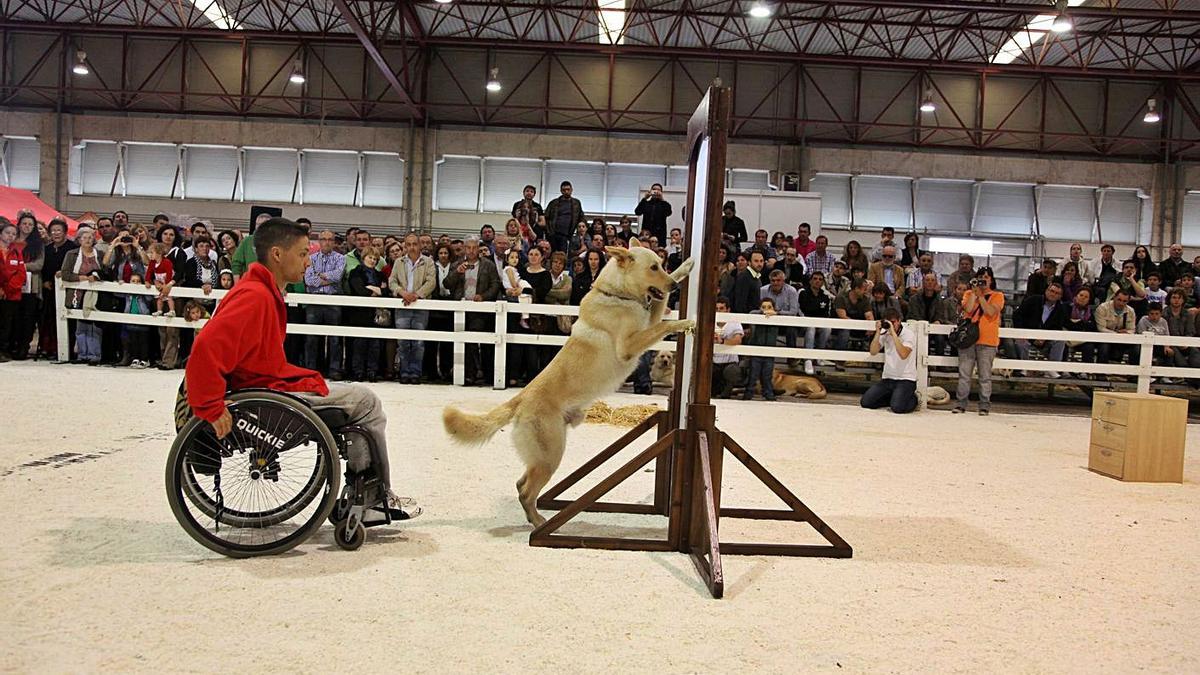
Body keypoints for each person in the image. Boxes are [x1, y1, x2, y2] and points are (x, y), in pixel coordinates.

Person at [185, 217, 417, 516]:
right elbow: (205, 346)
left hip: (265, 387)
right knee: (366, 402)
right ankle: (372, 498)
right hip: (263, 396)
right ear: (278, 254)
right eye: (304, 254)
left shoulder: (261, 291)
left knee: (354, 396)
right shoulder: (255, 296)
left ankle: (368, 491)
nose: (308, 263)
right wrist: (211, 406)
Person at [444, 236, 502, 386]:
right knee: (463, 342)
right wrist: (457, 272)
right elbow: (447, 284)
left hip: (480, 310)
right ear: (464, 248)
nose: (471, 251)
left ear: (478, 248)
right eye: (468, 247)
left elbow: (495, 285)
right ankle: (468, 373)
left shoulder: (488, 265)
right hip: (460, 309)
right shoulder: (457, 264)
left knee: (475, 340)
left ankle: (478, 372)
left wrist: (483, 296)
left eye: (474, 247)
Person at [953, 267, 1004, 415]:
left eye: (987, 277)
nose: (984, 280)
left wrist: (981, 296)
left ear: (991, 280)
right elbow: (968, 309)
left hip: (987, 340)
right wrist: (975, 293)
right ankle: (961, 404)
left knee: (985, 375)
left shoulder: (997, 296)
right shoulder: (969, 294)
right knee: (964, 374)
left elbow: (990, 311)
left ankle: (984, 405)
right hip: (968, 339)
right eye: (981, 277)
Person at [388, 233, 435, 384]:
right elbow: (392, 281)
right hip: (402, 305)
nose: (412, 247)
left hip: (420, 305)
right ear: (405, 246)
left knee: (418, 342)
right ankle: (404, 372)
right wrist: (403, 293)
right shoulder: (399, 262)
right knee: (403, 342)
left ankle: (415, 373)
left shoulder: (428, 262)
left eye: (415, 244)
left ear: (420, 245)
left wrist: (417, 295)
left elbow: (431, 282)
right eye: (409, 244)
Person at [303, 230, 345, 380]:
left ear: (334, 242)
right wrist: (328, 278)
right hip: (314, 301)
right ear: (318, 241)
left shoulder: (341, 258)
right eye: (323, 239)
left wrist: (320, 275)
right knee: (312, 338)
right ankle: (311, 370)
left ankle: (334, 370)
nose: (327, 242)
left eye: (330, 239)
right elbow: (309, 280)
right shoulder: (310, 258)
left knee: (335, 339)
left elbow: (338, 276)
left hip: (332, 300)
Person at [59, 226, 104, 365]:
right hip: (77, 293)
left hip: (96, 294)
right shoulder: (71, 254)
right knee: (80, 324)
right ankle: (82, 354)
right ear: (79, 239)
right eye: (84, 237)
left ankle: (95, 354)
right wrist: (84, 278)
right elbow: (66, 274)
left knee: (95, 324)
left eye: (90, 237)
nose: (88, 240)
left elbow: (105, 271)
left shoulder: (100, 254)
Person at [860, 308, 918, 414]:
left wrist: (893, 334)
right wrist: (878, 332)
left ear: (899, 321)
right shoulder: (884, 332)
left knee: (897, 408)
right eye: (888, 322)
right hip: (888, 378)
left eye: (893, 322)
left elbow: (903, 354)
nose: (891, 325)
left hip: (906, 379)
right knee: (866, 402)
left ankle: (913, 399)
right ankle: (895, 398)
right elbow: (873, 351)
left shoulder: (908, 334)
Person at [346, 246, 386, 383]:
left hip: (375, 314)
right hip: (359, 314)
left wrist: (371, 288)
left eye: (375, 259)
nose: (373, 261)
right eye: (370, 257)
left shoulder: (380, 275)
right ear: (363, 258)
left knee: (375, 344)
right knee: (359, 344)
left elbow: (386, 292)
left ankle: (372, 372)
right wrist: (376, 290)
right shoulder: (355, 272)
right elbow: (360, 290)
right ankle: (358, 372)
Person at [1012, 282, 1068, 376]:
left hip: (1046, 340)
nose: (1053, 294)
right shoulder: (1033, 300)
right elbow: (1017, 316)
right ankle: (1023, 368)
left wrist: (1045, 338)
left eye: (1056, 293)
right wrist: (1027, 336)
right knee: (1020, 341)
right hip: (1027, 336)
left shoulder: (1061, 309)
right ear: (1046, 291)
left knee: (1060, 340)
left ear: (1060, 296)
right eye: (1051, 291)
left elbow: (1057, 328)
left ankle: (1051, 369)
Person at [742, 298, 779, 401]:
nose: (766, 310)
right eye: (763, 307)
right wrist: (762, 312)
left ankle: (768, 394)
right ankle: (748, 394)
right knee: (753, 375)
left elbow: (790, 314)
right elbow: (751, 313)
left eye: (769, 307)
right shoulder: (756, 317)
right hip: (756, 351)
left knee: (767, 375)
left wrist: (776, 313)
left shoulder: (777, 318)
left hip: (769, 352)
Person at [797, 270, 834, 375]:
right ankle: (808, 359)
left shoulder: (826, 296)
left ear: (823, 283)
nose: (817, 281)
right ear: (810, 281)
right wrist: (808, 321)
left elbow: (827, 314)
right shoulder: (802, 292)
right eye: (815, 279)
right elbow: (799, 310)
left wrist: (820, 323)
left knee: (827, 329)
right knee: (811, 328)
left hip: (820, 324)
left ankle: (819, 356)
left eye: (820, 279)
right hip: (803, 324)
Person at [0, 222, 25, 362]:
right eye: (7, 233)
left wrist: (8, 288)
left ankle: (3, 350)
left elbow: (20, 274)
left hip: (11, 294)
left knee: (7, 324)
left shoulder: (16, 252)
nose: (10, 236)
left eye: (13, 234)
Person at [711, 296, 745, 398]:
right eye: (716, 309)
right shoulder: (709, 322)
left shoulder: (734, 323)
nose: (719, 311)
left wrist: (722, 341)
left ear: (728, 310)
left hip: (729, 362)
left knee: (731, 371)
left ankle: (727, 393)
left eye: (721, 308)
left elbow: (738, 340)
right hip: (714, 361)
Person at [1095, 288, 1137, 366]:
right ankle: (1100, 373)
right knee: (1104, 346)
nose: (1121, 303)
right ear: (1114, 297)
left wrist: (1127, 333)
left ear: (1128, 301)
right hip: (1105, 338)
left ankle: (1133, 374)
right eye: (1119, 300)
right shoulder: (1102, 308)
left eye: (1124, 301)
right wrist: (1117, 333)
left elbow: (1132, 329)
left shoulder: (1131, 311)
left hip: (1123, 339)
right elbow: (1101, 328)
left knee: (1136, 347)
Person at [832, 276, 875, 351]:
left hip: (858, 327)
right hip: (841, 326)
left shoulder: (865, 300)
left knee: (874, 331)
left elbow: (869, 316)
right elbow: (843, 317)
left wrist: (870, 326)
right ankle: (839, 358)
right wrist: (858, 324)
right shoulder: (841, 298)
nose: (866, 291)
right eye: (864, 289)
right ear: (856, 289)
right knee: (845, 331)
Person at [544, 181, 584, 253]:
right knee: (552, 254)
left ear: (571, 190)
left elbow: (581, 217)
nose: (566, 192)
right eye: (564, 190)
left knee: (563, 255)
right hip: (553, 233)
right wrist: (548, 232)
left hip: (567, 234)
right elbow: (546, 217)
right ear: (561, 191)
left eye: (568, 190)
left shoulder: (576, 203)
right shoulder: (554, 203)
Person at [145, 243, 176, 317]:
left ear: (159, 253)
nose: (150, 255)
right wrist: (147, 281)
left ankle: (172, 310)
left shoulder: (167, 262)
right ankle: (159, 310)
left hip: (167, 282)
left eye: (152, 253)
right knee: (159, 298)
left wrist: (166, 284)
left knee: (169, 297)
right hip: (159, 281)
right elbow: (149, 272)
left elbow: (169, 274)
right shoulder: (152, 263)